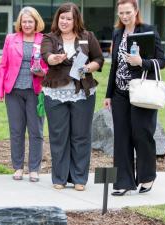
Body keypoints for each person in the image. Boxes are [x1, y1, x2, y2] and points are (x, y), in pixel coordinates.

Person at [103, 0, 165, 196]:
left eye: (128, 12)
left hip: (141, 91)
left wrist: (142, 62)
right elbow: (114, 66)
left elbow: (161, 62)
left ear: (136, 11)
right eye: (121, 13)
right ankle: (123, 182)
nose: (124, 16)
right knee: (121, 138)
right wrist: (108, 94)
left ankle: (147, 177)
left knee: (142, 134)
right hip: (120, 93)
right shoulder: (117, 33)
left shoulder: (148, 31)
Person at [41, 2, 104, 191]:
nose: (65, 21)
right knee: (59, 136)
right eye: (62, 18)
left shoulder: (87, 37)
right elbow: (46, 56)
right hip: (56, 94)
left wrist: (88, 68)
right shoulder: (50, 37)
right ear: (57, 19)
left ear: (76, 20)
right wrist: (55, 59)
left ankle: (79, 179)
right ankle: (59, 178)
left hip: (82, 93)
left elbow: (99, 59)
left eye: (69, 18)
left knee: (81, 136)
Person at [0, 7, 48, 182]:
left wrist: (43, 72)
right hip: (14, 91)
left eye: (30, 21)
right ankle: (18, 168)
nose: (26, 24)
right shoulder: (11, 39)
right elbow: (3, 64)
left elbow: (50, 65)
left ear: (36, 22)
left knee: (36, 131)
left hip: (35, 91)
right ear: (19, 23)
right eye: (23, 21)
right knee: (16, 131)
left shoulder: (44, 40)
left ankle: (34, 169)